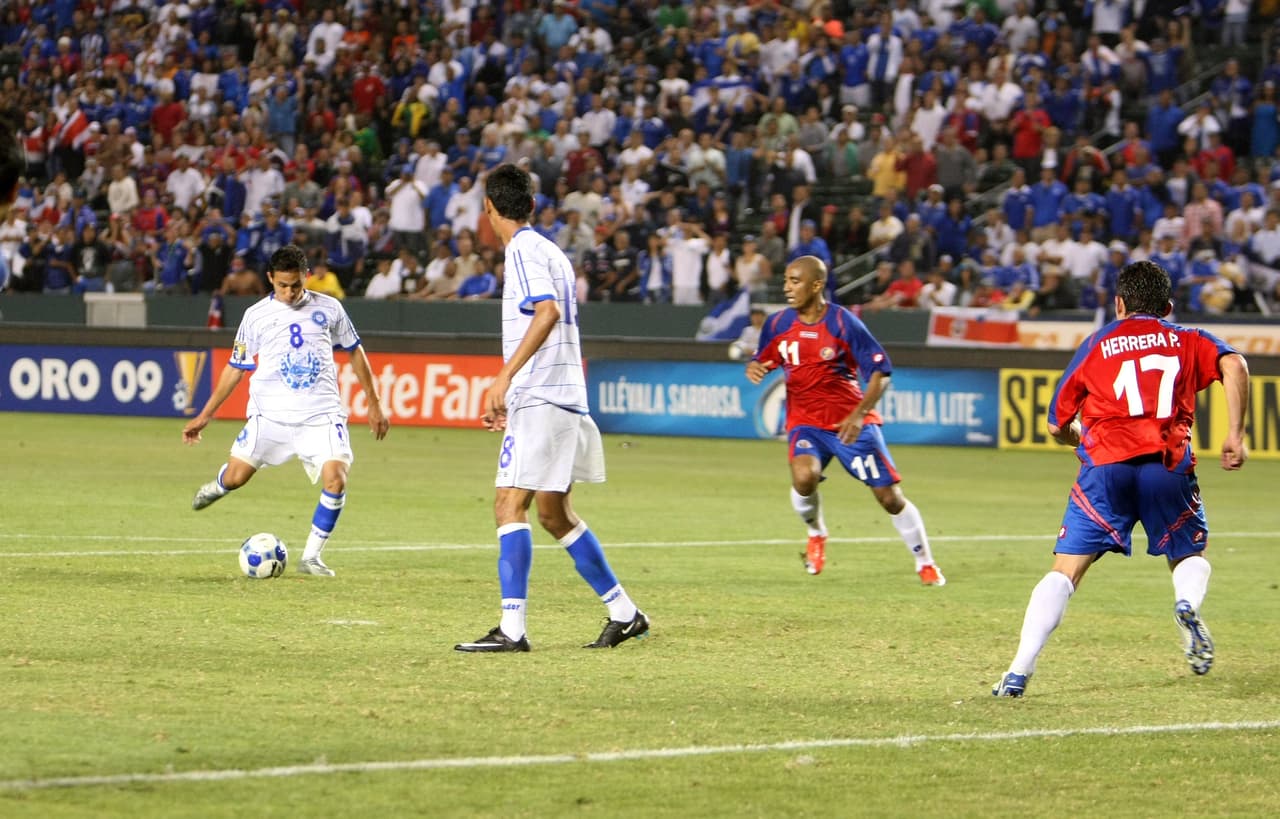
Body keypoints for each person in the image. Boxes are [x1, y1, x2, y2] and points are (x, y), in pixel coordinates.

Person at [993, 260, 1250, 698]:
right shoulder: (1187, 340)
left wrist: (1077, 435)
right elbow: (1236, 365)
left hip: (1106, 469)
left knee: (1066, 570)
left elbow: (1057, 424)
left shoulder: (1096, 344)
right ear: (1167, 305)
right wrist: (1234, 435)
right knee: (1190, 553)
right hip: (1168, 467)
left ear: (1118, 304)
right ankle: (1186, 603)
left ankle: (1018, 670)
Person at [455, 163, 648, 653]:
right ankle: (625, 613)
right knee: (553, 513)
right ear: (533, 205)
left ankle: (512, 630)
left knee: (507, 504)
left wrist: (505, 377)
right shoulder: (552, 252)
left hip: (545, 397)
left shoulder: (520, 249)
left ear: (489, 209)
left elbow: (547, 313)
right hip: (561, 397)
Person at [181, 244, 390, 577]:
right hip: (270, 417)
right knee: (236, 478)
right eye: (282, 285)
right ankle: (217, 486)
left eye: (296, 284)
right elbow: (236, 368)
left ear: (306, 276)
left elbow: (355, 351)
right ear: (270, 279)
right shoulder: (255, 317)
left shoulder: (330, 308)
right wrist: (206, 414)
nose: (290, 292)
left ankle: (311, 557)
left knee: (336, 479)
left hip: (321, 416)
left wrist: (374, 402)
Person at [745, 256, 945, 584]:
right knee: (803, 477)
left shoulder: (843, 323)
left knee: (889, 499)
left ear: (816, 285)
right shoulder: (778, 323)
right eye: (786, 280)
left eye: (795, 281)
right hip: (805, 422)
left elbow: (881, 373)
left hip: (850, 425)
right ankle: (816, 534)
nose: (786, 287)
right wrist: (755, 366)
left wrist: (860, 413)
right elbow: (764, 358)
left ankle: (925, 561)